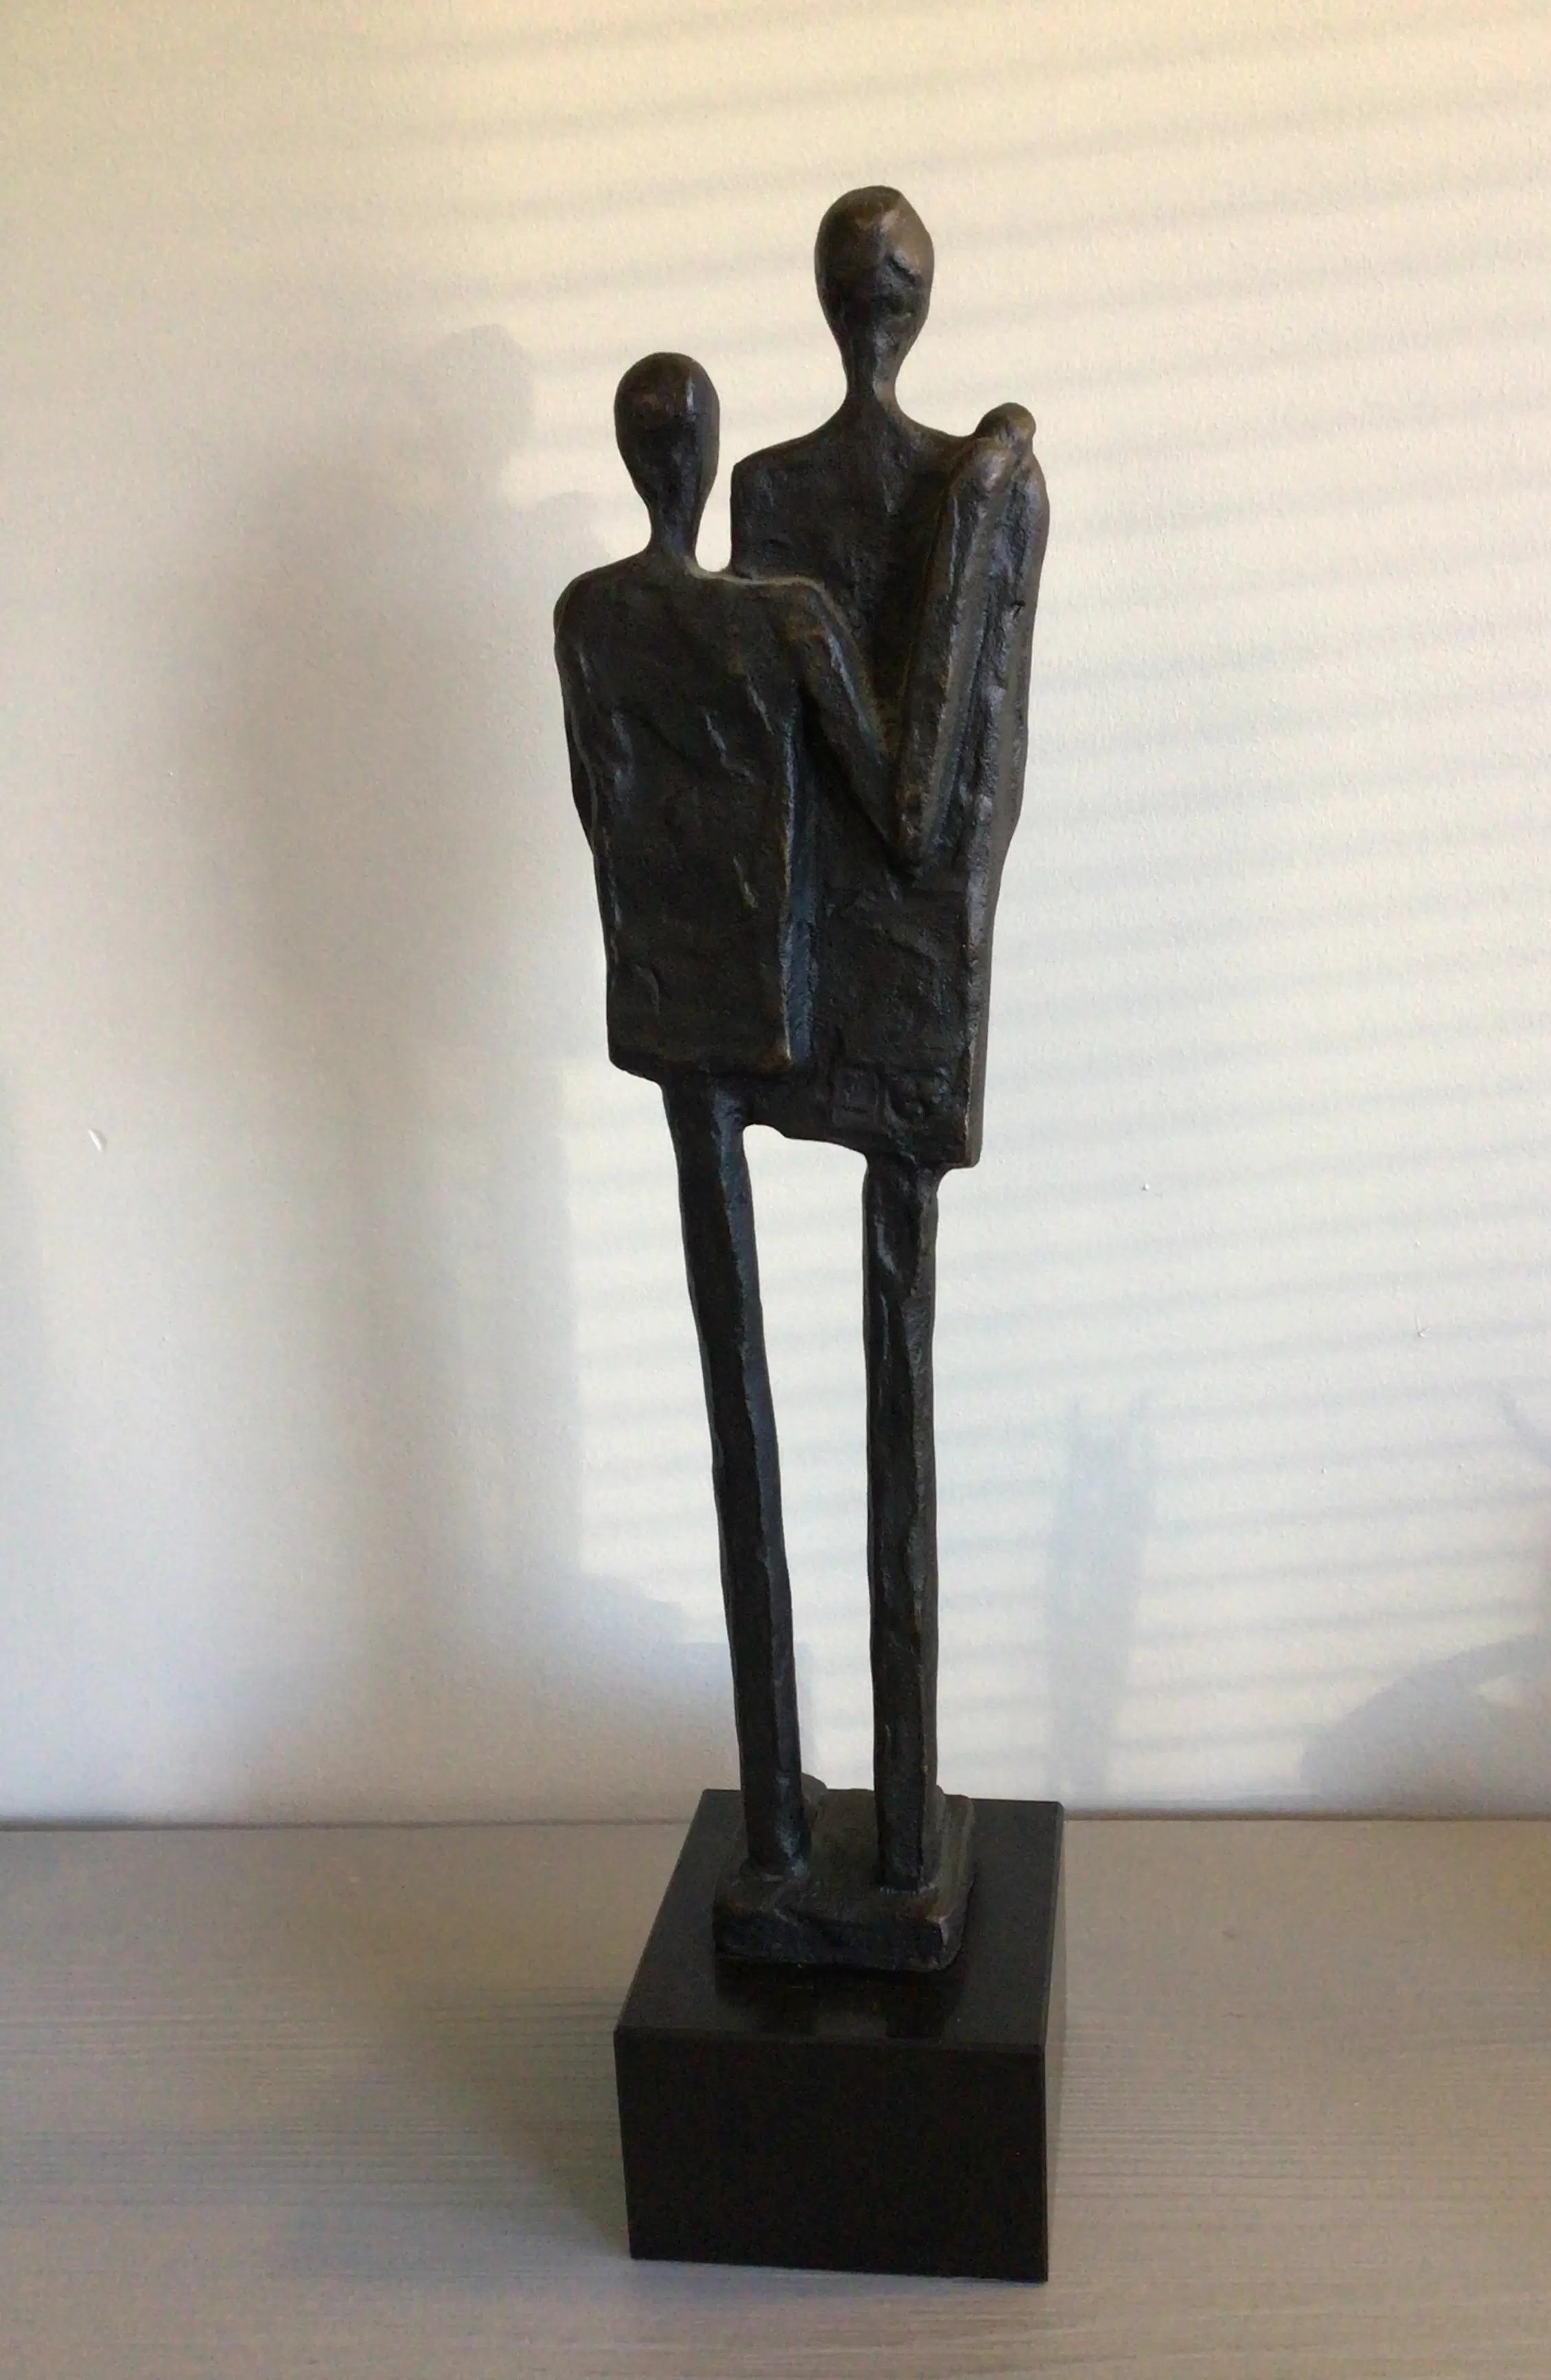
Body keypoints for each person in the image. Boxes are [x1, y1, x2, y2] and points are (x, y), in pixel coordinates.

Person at [732, 188, 1049, 1899]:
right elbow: (979, 763)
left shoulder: (781, 489)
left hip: (833, 945)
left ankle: (902, 1821)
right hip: (887, 944)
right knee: (888, 1325)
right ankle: (896, 1821)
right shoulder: (957, 487)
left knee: (883, 1326)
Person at [555, 351, 898, 1881]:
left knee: (730, 1388)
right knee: (747, 1388)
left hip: (662, 984)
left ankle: (776, 1809)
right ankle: (783, 1826)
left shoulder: (587, 615)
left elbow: (597, 794)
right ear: (705, 458)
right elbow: (893, 798)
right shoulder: (783, 617)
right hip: (766, 992)